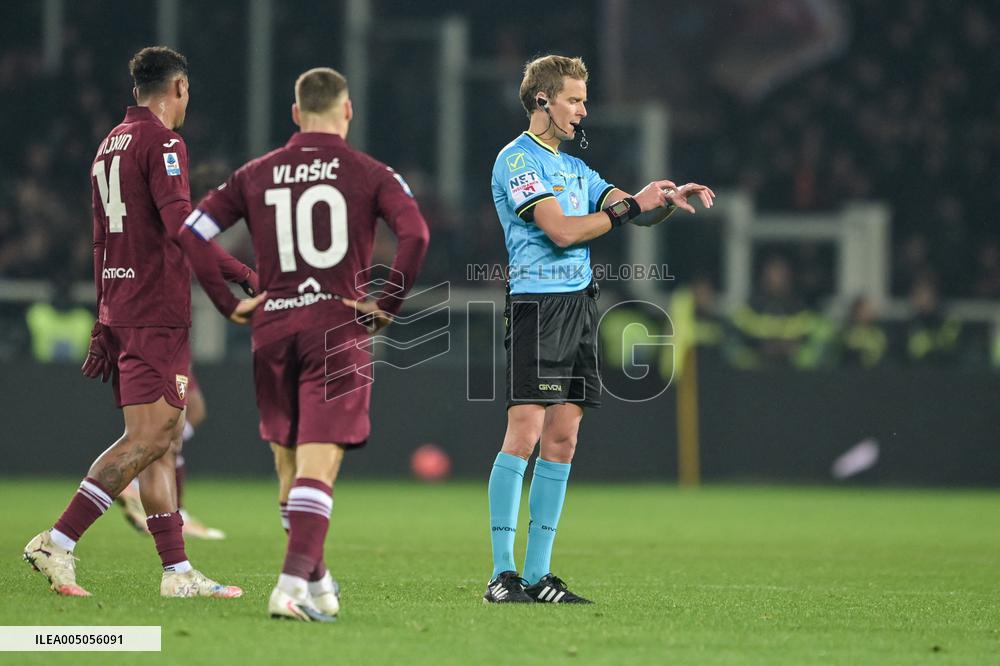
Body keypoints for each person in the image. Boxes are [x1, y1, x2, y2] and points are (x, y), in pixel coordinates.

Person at [179, 67, 429, 621]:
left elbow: (192, 232)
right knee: (321, 466)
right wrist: (386, 306)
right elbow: (416, 234)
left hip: (273, 328)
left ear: (295, 113)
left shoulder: (255, 173)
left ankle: (317, 585)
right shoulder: (371, 173)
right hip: (336, 327)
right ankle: (289, 587)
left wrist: (227, 302)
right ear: (347, 112)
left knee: (290, 471)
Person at [22, 46, 263, 599]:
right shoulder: (164, 142)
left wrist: (105, 315)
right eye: (186, 93)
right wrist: (240, 273)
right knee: (152, 435)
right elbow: (182, 224)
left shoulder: (109, 144)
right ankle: (58, 540)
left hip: (125, 305)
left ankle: (177, 573)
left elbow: (102, 238)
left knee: (162, 438)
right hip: (155, 309)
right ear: (178, 88)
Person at [484, 55, 714, 604]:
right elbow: (561, 232)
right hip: (537, 305)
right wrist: (628, 207)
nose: (584, 112)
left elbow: (626, 209)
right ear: (544, 101)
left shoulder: (575, 168)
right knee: (525, 434)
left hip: (581, 307)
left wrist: (658, 202)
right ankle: (502, 575)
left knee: (563, 439)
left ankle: (539, 578)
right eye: (575, 101)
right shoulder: (518, 161)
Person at [114, 163, 247, 540]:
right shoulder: (182, 222)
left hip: (160, 320)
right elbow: (201, 256)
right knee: (167, 426)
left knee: (183, 418)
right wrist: (243, 279)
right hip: (160, 323)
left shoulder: (169, 217)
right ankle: (137, 483)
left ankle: (161, 500)